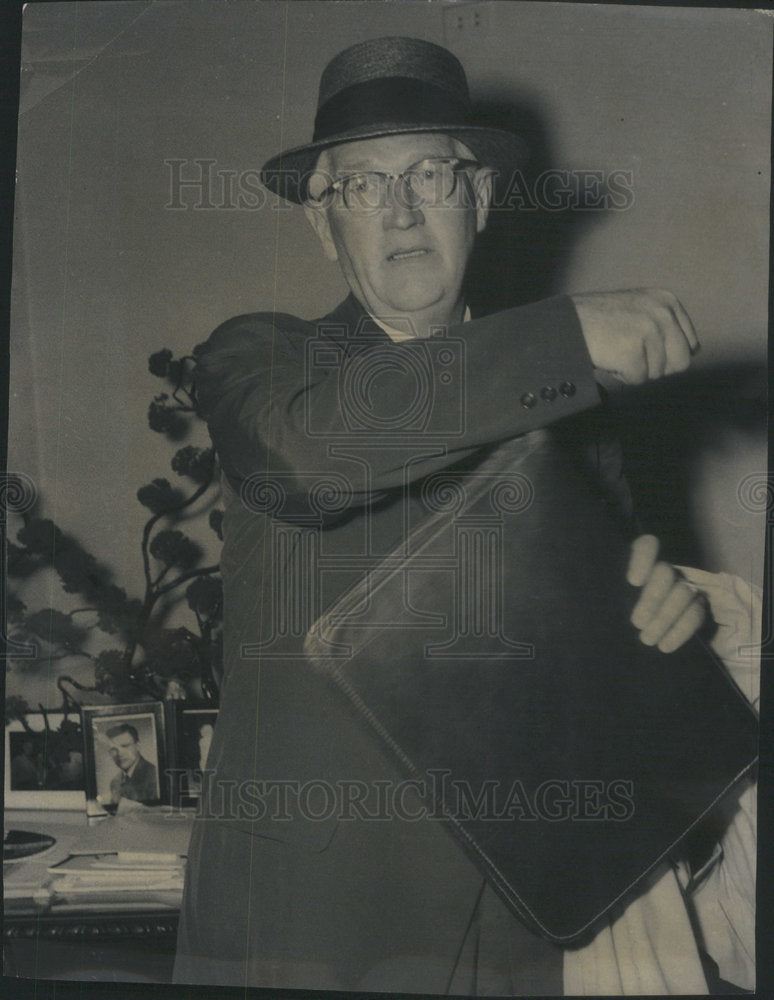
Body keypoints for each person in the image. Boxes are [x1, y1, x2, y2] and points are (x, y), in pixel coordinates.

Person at [174, 37, 756, 994]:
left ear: (479, 198)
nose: (400, 210)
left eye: (430, 175)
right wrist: (563, 336)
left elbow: (597, 688)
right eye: (363, 185)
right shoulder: (264, 363)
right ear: (323, 222)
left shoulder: (578, 419)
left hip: (531, 924)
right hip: (318, 924)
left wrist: (659, 631)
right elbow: (308, 457)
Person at [105, 722, 159, 805]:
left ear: (138, 746)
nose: (119, 754)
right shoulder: (115, 782)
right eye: (114, 749)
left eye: (125, 746)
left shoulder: (154, 777)